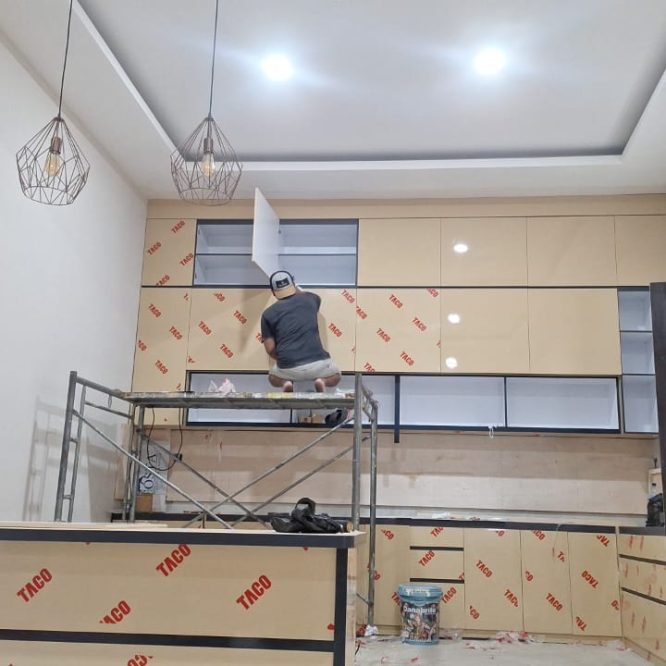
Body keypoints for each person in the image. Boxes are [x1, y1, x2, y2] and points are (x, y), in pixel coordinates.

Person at [260, 270, 341, 392]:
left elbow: (270, 350)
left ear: (273, 292)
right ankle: (322, 381)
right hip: (318, 363)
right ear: (293, 284)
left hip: (288, 367)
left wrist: (287, 359)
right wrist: (295, 288)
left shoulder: (267, 314)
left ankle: (286, 382)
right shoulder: (312, 299)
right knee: (336, 375)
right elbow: (303, 295)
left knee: (273, 378)